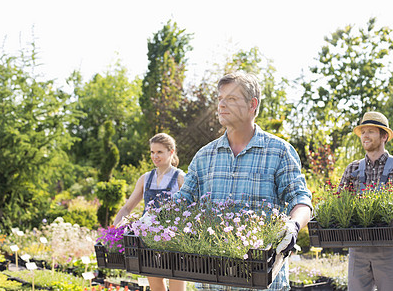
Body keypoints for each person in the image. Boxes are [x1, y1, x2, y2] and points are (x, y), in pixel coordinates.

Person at [172, 72, 313, 291]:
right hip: (213, 281)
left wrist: (293, 226)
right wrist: (146, 223)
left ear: (252, 104)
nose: (222, 105)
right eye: (220, 99)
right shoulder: (204, 156)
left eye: (232, 99)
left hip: (262, 282)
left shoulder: (279, 151)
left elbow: (301, 199)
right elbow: (181, 202)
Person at [338, 111, 393, 291]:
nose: (365, 135)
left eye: (371, 131)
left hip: (389, 247)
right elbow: (339, 205)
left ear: (384, 136)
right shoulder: (352, 169)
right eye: (363, 132)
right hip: (357, 248)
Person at [113, 133, 187, 291]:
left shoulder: (180, 177)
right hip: (147, 241)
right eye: (152, 152)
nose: (155, 156)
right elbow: (127, 208)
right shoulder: (145, 178)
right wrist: (115, 228)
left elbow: (190, 209)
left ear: (171, 152)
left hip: (174, 242)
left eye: (159, 152)